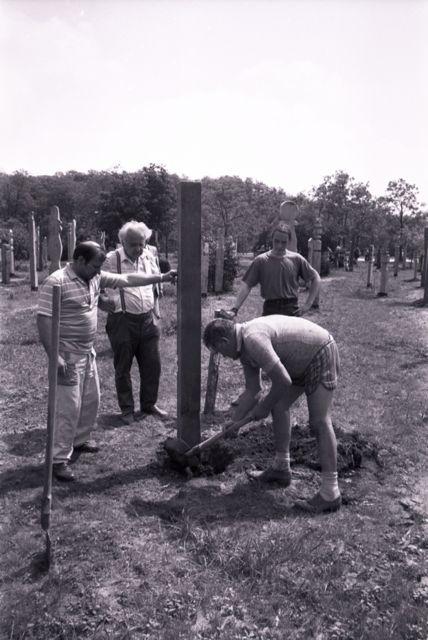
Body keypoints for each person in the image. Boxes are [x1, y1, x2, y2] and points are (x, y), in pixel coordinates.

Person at [37, 241, 177, 481]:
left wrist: (161, 277)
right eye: (94, 265)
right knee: (67, 409)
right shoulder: (56, 282)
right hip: (67, 355)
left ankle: (79, 441)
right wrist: (55, 356)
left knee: (91, 400)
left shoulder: (93, 277)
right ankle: (59, 460)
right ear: (79, 260)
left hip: (87, 353)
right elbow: (44, 320)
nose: (98, 270)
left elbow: (128, 280)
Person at [203, 315, 341, 514]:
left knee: (319, 421)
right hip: (299, 361)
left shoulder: (253, 339)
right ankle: (281, 467)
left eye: (220, 352)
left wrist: (264, 407)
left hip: (320, 353)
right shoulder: (242, 348)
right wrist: (235, 422)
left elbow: (283, 381)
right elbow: (253, 390)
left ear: (224, 342)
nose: (224, 357)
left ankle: (331, 493)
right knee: (280, 406)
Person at [100, 221, 170, 425]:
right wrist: (102, 302)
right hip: (122, 320)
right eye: (134, 244)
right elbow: (94, 284)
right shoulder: (111, 260)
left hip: (147, 318)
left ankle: (149, 404)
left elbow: (154, 284)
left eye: (142, 244)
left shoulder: (149, 256)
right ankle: (127, 409)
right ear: (123, 242)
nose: (139, 249)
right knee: (123, 367)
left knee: (152, 365)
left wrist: (155, 311)